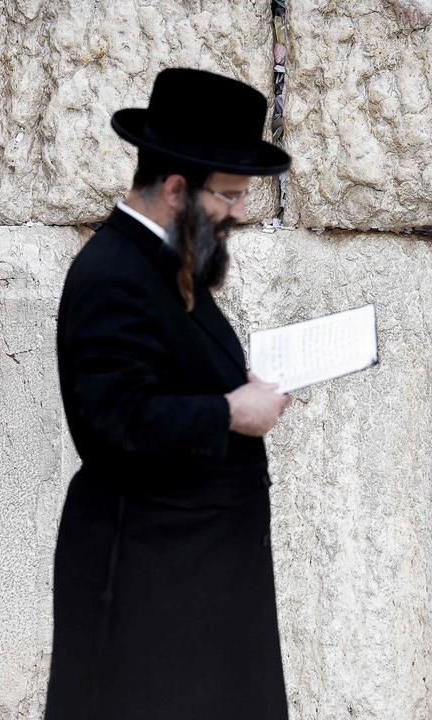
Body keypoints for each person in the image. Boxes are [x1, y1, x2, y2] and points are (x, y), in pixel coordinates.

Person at [45, 67, 294, 719]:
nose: (240, 213)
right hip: (149, 587)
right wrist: (229, 412)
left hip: (194, 580)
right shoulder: (112, 272)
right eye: (231, 196)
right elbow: (111, 419)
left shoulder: (162, 263)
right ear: (177, 188)